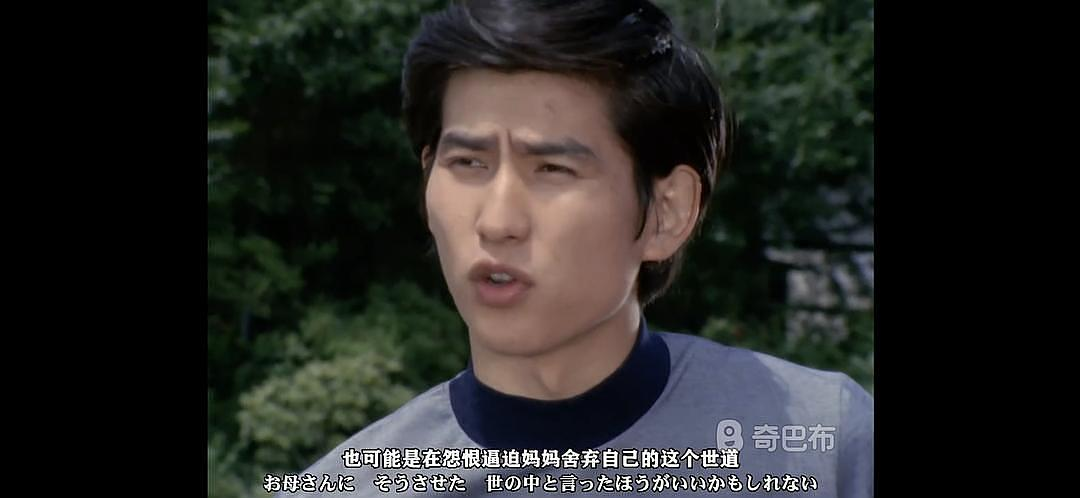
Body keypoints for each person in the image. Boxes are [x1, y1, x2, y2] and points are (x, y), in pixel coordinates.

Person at [283, 1, 872, 496]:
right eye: (468, 163)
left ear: (667, 212)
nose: (498, 222)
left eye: (553, 169)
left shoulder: (822, 447)